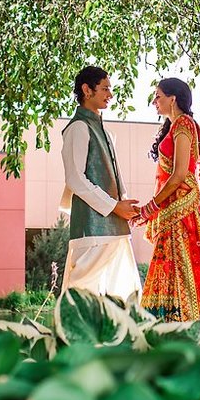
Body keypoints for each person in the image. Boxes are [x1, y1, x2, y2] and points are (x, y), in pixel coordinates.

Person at [134, 78, 200, 327]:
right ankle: (163, 327)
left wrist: (149, 208)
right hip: (172, 209)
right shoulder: (173, 126)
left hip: (180, 211)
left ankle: (183, 327)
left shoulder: (184, 125)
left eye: (158, 96)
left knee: (179, 268)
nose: (154, 101)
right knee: (168, 267)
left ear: (173, 98)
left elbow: (179, 175)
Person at [58, 66, 142, 299]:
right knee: (82, 296)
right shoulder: (78, 128)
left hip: (115, 229)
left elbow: (113, 175)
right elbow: (75, 178)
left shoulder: (102, 129)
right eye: (105, 89)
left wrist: (125, 207)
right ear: (87, 90)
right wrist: (115, 207)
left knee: (125, 297)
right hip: (91, 229)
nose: (110, 95)